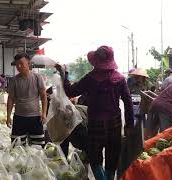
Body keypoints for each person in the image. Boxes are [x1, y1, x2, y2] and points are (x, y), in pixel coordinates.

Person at [56, 45, 134, 180]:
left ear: (96, 62)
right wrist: (129, 125)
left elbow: (70, 91)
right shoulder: (120, 79)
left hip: (95, 124)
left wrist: (64, 73)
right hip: (114, 124)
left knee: (95, 157)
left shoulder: (90, 78)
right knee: (112, 156)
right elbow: (128, 103)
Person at [6, 53, 47, 147]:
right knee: (17, 147)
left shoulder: (37, 78)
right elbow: (11, 99)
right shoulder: (14, 80)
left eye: (21, 63)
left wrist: (44, 113)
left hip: (36, 118)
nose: (19, 66)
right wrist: (8, 116)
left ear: (29, 63)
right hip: (19, 118)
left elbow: (44, 96)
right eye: (17, 64)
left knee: (38, 147)